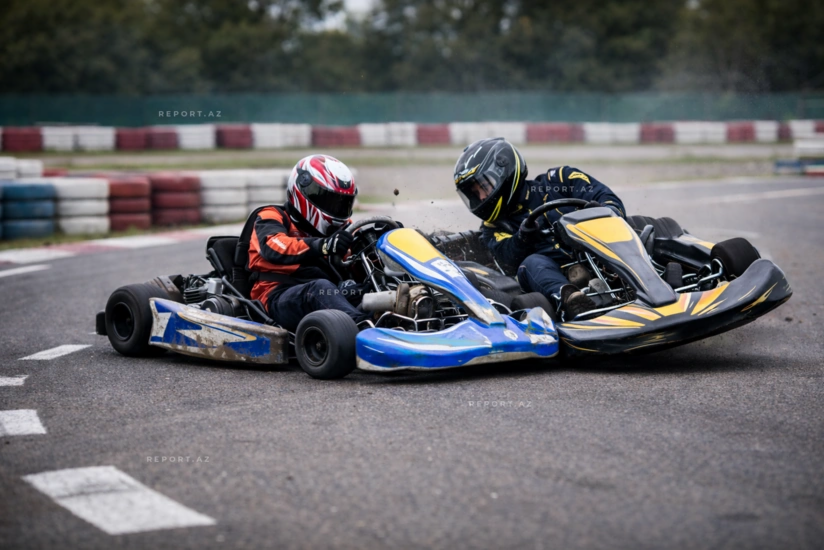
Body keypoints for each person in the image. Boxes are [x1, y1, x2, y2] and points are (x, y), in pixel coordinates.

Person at [453, 137, 627, 319]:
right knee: (531, 263)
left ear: (503, 171)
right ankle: (571, 299)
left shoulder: (561, 179)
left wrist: (603, 213)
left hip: (601, 252)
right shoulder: (493, 228)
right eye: (474, 193)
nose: (481, 197)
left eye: (483, 187)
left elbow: (606, 198)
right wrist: (522, 238)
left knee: (632, 229)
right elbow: (506, 256)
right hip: (554, 275)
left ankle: (649, 274)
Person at [247, 154, 371, 331]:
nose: (336, 210)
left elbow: (359, 259)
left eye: (342, 204)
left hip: (329, 293)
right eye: (329, 201)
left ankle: (401, 321)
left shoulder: (344, 229)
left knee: (367, 290)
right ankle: (363, 330)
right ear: (305, 192)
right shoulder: (272, 216)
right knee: (320, 288)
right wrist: (322, 246)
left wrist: (379, 240)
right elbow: (274, 246)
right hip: (277, 295)